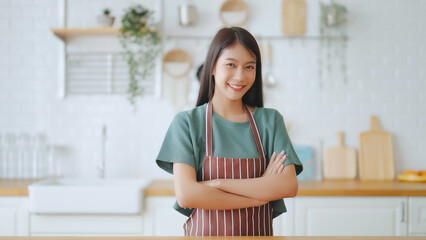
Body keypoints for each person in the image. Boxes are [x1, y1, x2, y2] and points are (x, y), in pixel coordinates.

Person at [156, 26, 303, 236]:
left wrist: (217, 184)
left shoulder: (270, 121)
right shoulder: (187, 124)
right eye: (231, 65)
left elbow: (288, 185)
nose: (240, 76)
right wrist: (259, 195)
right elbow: (187, 195)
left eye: (249, 67)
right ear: (213, 67)